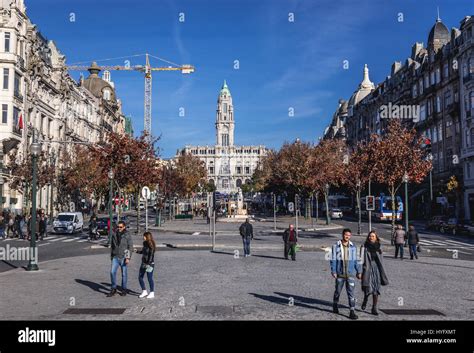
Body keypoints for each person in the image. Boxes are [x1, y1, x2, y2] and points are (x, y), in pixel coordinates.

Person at [329, 228, 362, 320]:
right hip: (340, 274)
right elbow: (333, 259)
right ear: (342, 235)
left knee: (351, 294)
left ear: (350, 236)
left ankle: (352, 311)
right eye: (345, 235)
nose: (347, 236)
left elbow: (356, 260)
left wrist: (359, 271)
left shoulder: (353, 246)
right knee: (337, 292)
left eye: (349, 235)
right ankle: (335, 305)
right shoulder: (336, 246)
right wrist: (334, 271)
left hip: (350, 274)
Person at [360, 231, 389, 315]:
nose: (371, 237)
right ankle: (365, 299)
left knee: (376, 289)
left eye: (373, 236)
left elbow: (381, 261)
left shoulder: (379, 247)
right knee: (368, 288)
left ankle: (374, 308)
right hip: (368, 269)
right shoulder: (364, 247)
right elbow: (361, 260)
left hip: (376, 269)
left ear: (376, 238)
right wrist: (360, 271)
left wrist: (382, 271)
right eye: (370, 236)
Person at [107, 221, 133, 297]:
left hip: (124, 257)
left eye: (120, 227)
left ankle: (124, 289)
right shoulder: (114, 234)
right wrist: (112, 256)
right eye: (118, 227)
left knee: (124, 274)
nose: (119, 228)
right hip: (115, 256)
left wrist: (128, 257)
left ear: (124, 227)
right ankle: (113, 288)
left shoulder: (127, 235)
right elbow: (112, 245)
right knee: (112, 272)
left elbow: (130, 246)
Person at [135, 231, 156, 299]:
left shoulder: (151, 244)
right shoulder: (144, 243)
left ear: (147, 237)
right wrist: (137, 251)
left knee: (149, 278)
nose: (143, 237)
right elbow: (143, 252)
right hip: (143, 263)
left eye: (144, 236)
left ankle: (152, 292)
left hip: (150, 264)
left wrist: (148, 264)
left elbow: (151, 255)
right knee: (140, 277)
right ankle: (144, 291)